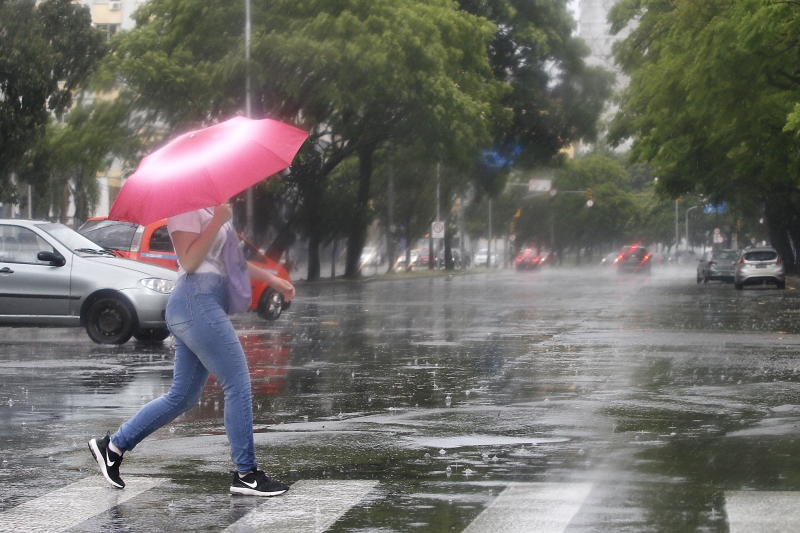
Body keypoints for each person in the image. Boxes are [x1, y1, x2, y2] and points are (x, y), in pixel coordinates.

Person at [89, 203, 296, 496]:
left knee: (183, 396)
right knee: (237, 383)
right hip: (195, 301)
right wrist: (218, 222)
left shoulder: (215, 210)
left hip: (201, 303)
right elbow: (188, 261)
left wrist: (276, 281)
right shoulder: (185, 209)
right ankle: (246, 474)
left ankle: (111, 448)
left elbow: (233, 263)